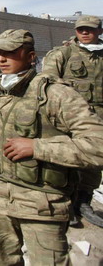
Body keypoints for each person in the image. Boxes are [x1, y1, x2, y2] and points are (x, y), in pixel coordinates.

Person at [0, 29, 103, 265]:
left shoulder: (55, 94)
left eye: (10, 53)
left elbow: (98, 145)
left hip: (40, 207)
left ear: (31, 57)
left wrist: (38, 148)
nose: (1, 59)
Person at [42, 15, 103, 227]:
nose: (85, 33)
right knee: (66, 158)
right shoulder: (63, 53)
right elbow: (48, 80)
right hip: (70, 117)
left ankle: (83, 202)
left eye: (90, 29)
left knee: (94, 162)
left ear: (100, 31)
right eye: (81, 29)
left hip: (100, 118)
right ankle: (64, 203)